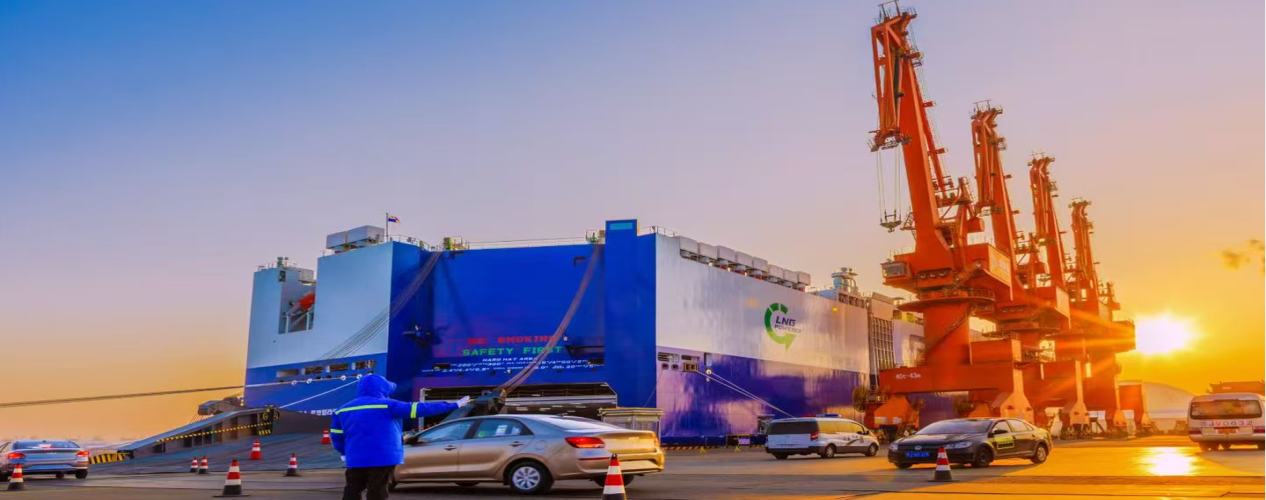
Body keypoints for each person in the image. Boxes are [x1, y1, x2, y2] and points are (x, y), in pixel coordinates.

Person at [330, 374, 470, 500]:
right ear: (383, 388)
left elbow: (336, 435)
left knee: (353, 488)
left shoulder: (342, 410)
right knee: (377, 489)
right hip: (384, 456)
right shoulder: (389, 405)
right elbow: (421, 408)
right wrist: (454, 405)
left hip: (356, 457)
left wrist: (343, 452)